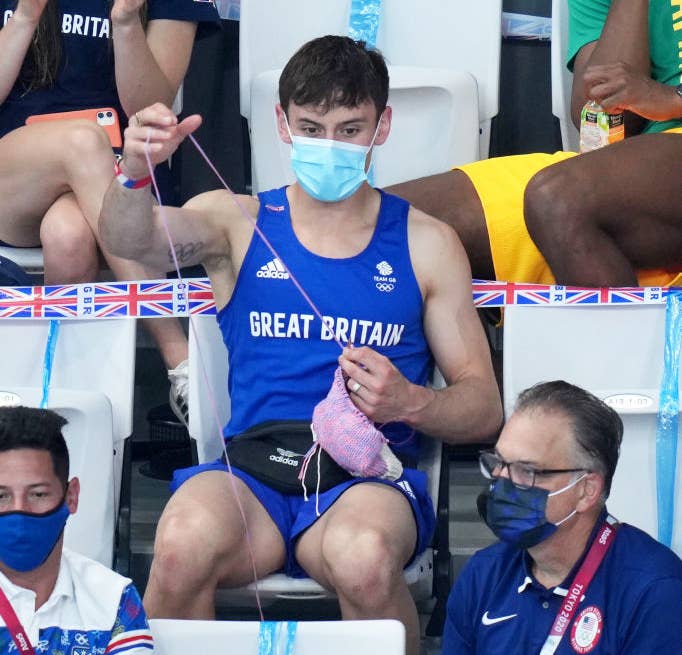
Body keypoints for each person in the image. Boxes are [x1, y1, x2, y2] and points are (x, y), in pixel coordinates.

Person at [99, 35, 502, 655]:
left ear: (382, 126)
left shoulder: (427, 242)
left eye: (350, 128)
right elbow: (134, 241)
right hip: (253, 472)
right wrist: (131, 175)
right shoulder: (234, 221)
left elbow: (483, 406)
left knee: (362, 557)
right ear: (282, 125)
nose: (330, 145)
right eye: (312, 127)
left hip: (363, 478)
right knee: (177, 546)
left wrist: (409, 403)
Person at [0, 0, 220, 425]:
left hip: (119, 179)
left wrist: (124, 23)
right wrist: (26, 14)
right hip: (13, 181)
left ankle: (70, 419)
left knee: (68, 235)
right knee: (82, 141)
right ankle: (177, 355)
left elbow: (152, 107)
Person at [388, 0, 682, 290]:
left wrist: (672, 99)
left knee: (558, 198)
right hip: (638, 162)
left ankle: (626, 338)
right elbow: (600, 112)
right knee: (384, 222)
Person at [442, 380, 682, 654]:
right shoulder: (483, 574)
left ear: (586, 490)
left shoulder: (654, 591)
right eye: (498, 463)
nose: (501, 481)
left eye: (526, 470)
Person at [0, 405, 154, 653]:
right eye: (1, 496)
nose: (20, 511)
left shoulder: (113, 600)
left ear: (71, 496)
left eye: (38, 494)